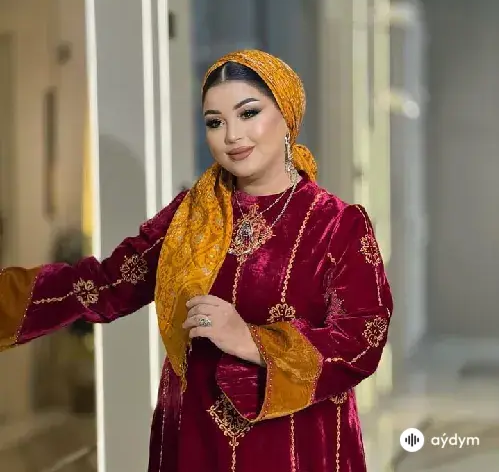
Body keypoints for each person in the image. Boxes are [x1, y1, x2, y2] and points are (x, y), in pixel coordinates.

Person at [0, 49, 393, 471]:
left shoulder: (337, 224)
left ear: (287, 116)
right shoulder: (190, 216)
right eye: (215, 122)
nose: (232, 136)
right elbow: (106, 285)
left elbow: (362, 338)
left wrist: (251, 340)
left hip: (294, 444)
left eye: (248, 113)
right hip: (195, 437)